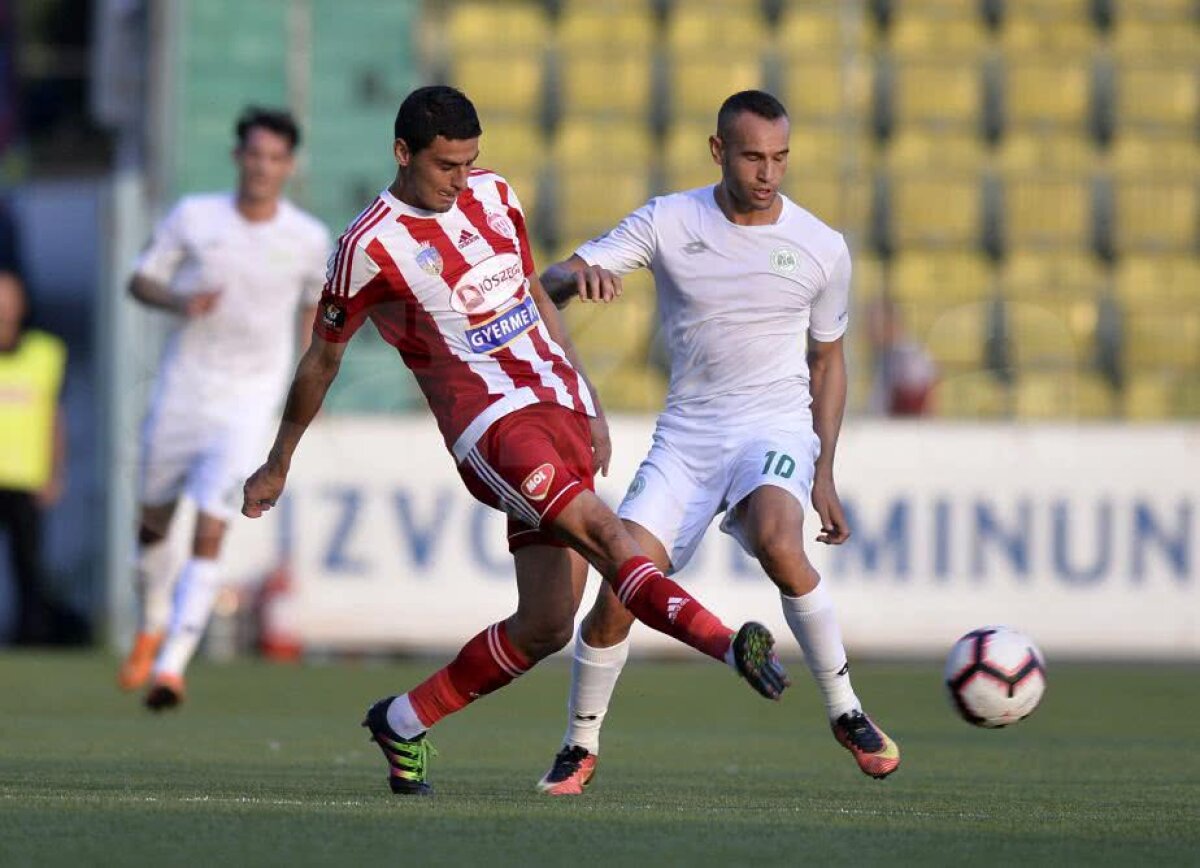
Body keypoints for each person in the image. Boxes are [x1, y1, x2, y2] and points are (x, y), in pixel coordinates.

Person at [241, 85, 790, 796]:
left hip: (556, 407)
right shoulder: (367, 246)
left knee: (547, 624)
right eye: (445, 167)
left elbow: (531, 295)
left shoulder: (496, 195)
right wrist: (279, 461)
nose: (460, 181)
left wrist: (587, 400)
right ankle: (727, 645)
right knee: (606, 533)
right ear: (403, 154)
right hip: (490, 426)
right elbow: (323, 359)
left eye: (470, 163)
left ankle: (402, 721)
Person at [534, 90, 901, 796]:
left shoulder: (821, 247)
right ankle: (579, 745)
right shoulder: (670, 220)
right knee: (620, 592)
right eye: (754, 156)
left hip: (775, 425)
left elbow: (828, 360)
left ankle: (846, 711)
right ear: (718, 151)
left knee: (781, 543)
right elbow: (549, 282)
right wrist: (575, 277)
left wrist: (823, 473)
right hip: (689, 434)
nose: (769, 173)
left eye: (781, 157)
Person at [119, 107, 332, 709]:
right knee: (152, 524)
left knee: (213, 525)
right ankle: (153, 620)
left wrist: (308, 377)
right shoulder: (195, 217)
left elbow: (316, 316)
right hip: (183, 389)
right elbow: (139, 279)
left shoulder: (307, 238)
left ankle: (173, 665)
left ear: (288, 165)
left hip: (249, 399)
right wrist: (179, 298)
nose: (264, 167)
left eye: (275, 158)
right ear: (239, 156)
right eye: (255, 155)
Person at [0, 268, 67, 644]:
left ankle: (30, 638)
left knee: (27, 566)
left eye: (8, 298)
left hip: (26, 476)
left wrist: (55, 471)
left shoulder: (45, 352)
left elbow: (55, 417)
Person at [865, 296, 937, 416]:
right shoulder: (883, 355)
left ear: (890, 322)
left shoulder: (909, 356)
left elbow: (915, 401)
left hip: (904, 431)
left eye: (875, 324)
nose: (870, 331)